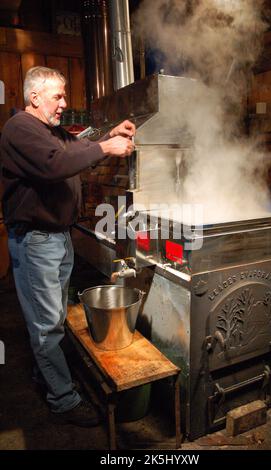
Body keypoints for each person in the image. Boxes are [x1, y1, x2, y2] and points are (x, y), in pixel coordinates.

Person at [0, 66, 135, 427]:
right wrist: (107, 145)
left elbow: (77, 146)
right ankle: (62, 398)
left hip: (57, 237)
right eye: (57, 96)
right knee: (47, 325)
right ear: (34, 97)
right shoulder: (20, 128)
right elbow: (56, 163)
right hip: (36, 240)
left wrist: (109, 134)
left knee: (54, 319)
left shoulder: (49, 131)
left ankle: (46, 375)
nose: (64, 103)